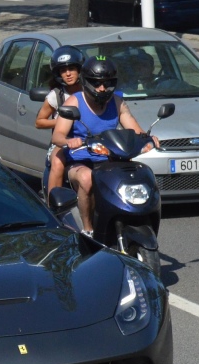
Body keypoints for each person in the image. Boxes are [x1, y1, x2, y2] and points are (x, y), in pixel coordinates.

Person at [50, 57, 159, 236]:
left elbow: (135, 129)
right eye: (97, 84)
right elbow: (58, 135)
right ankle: (88, 228)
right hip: (80, 160)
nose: (102, 89)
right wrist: (69, 141)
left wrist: (148, 139)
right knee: (86, 179)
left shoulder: (117, 102)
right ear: (86, 83)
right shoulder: (74, 102)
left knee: (138, 174)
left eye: (106, 84)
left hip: (110, 159)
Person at [34, 45, 85, 196]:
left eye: (72, 69)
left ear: (80, 70)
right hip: (62, 142)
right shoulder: (56, 96)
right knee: (57, 162)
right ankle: (54, 204)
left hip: (88, 140)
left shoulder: (90, 91)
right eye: (63, 70)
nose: (68, 74)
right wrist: (62, 121)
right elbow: (39, 122)